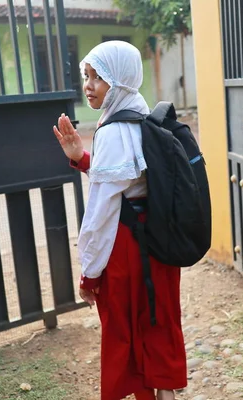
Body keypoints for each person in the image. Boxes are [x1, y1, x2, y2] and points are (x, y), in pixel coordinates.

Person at [52, 41, 187, 400]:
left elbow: (102, 211)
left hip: (125, 250)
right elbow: (129, 182)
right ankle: (166, 393)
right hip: (159, 242)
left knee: (124, 329)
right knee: (158, 318)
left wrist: (89, 273)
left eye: (99, 77)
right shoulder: (145, 115)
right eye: (87, 76)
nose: (89, 85)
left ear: (121, 79)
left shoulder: (113, 129)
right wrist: (82, 159)